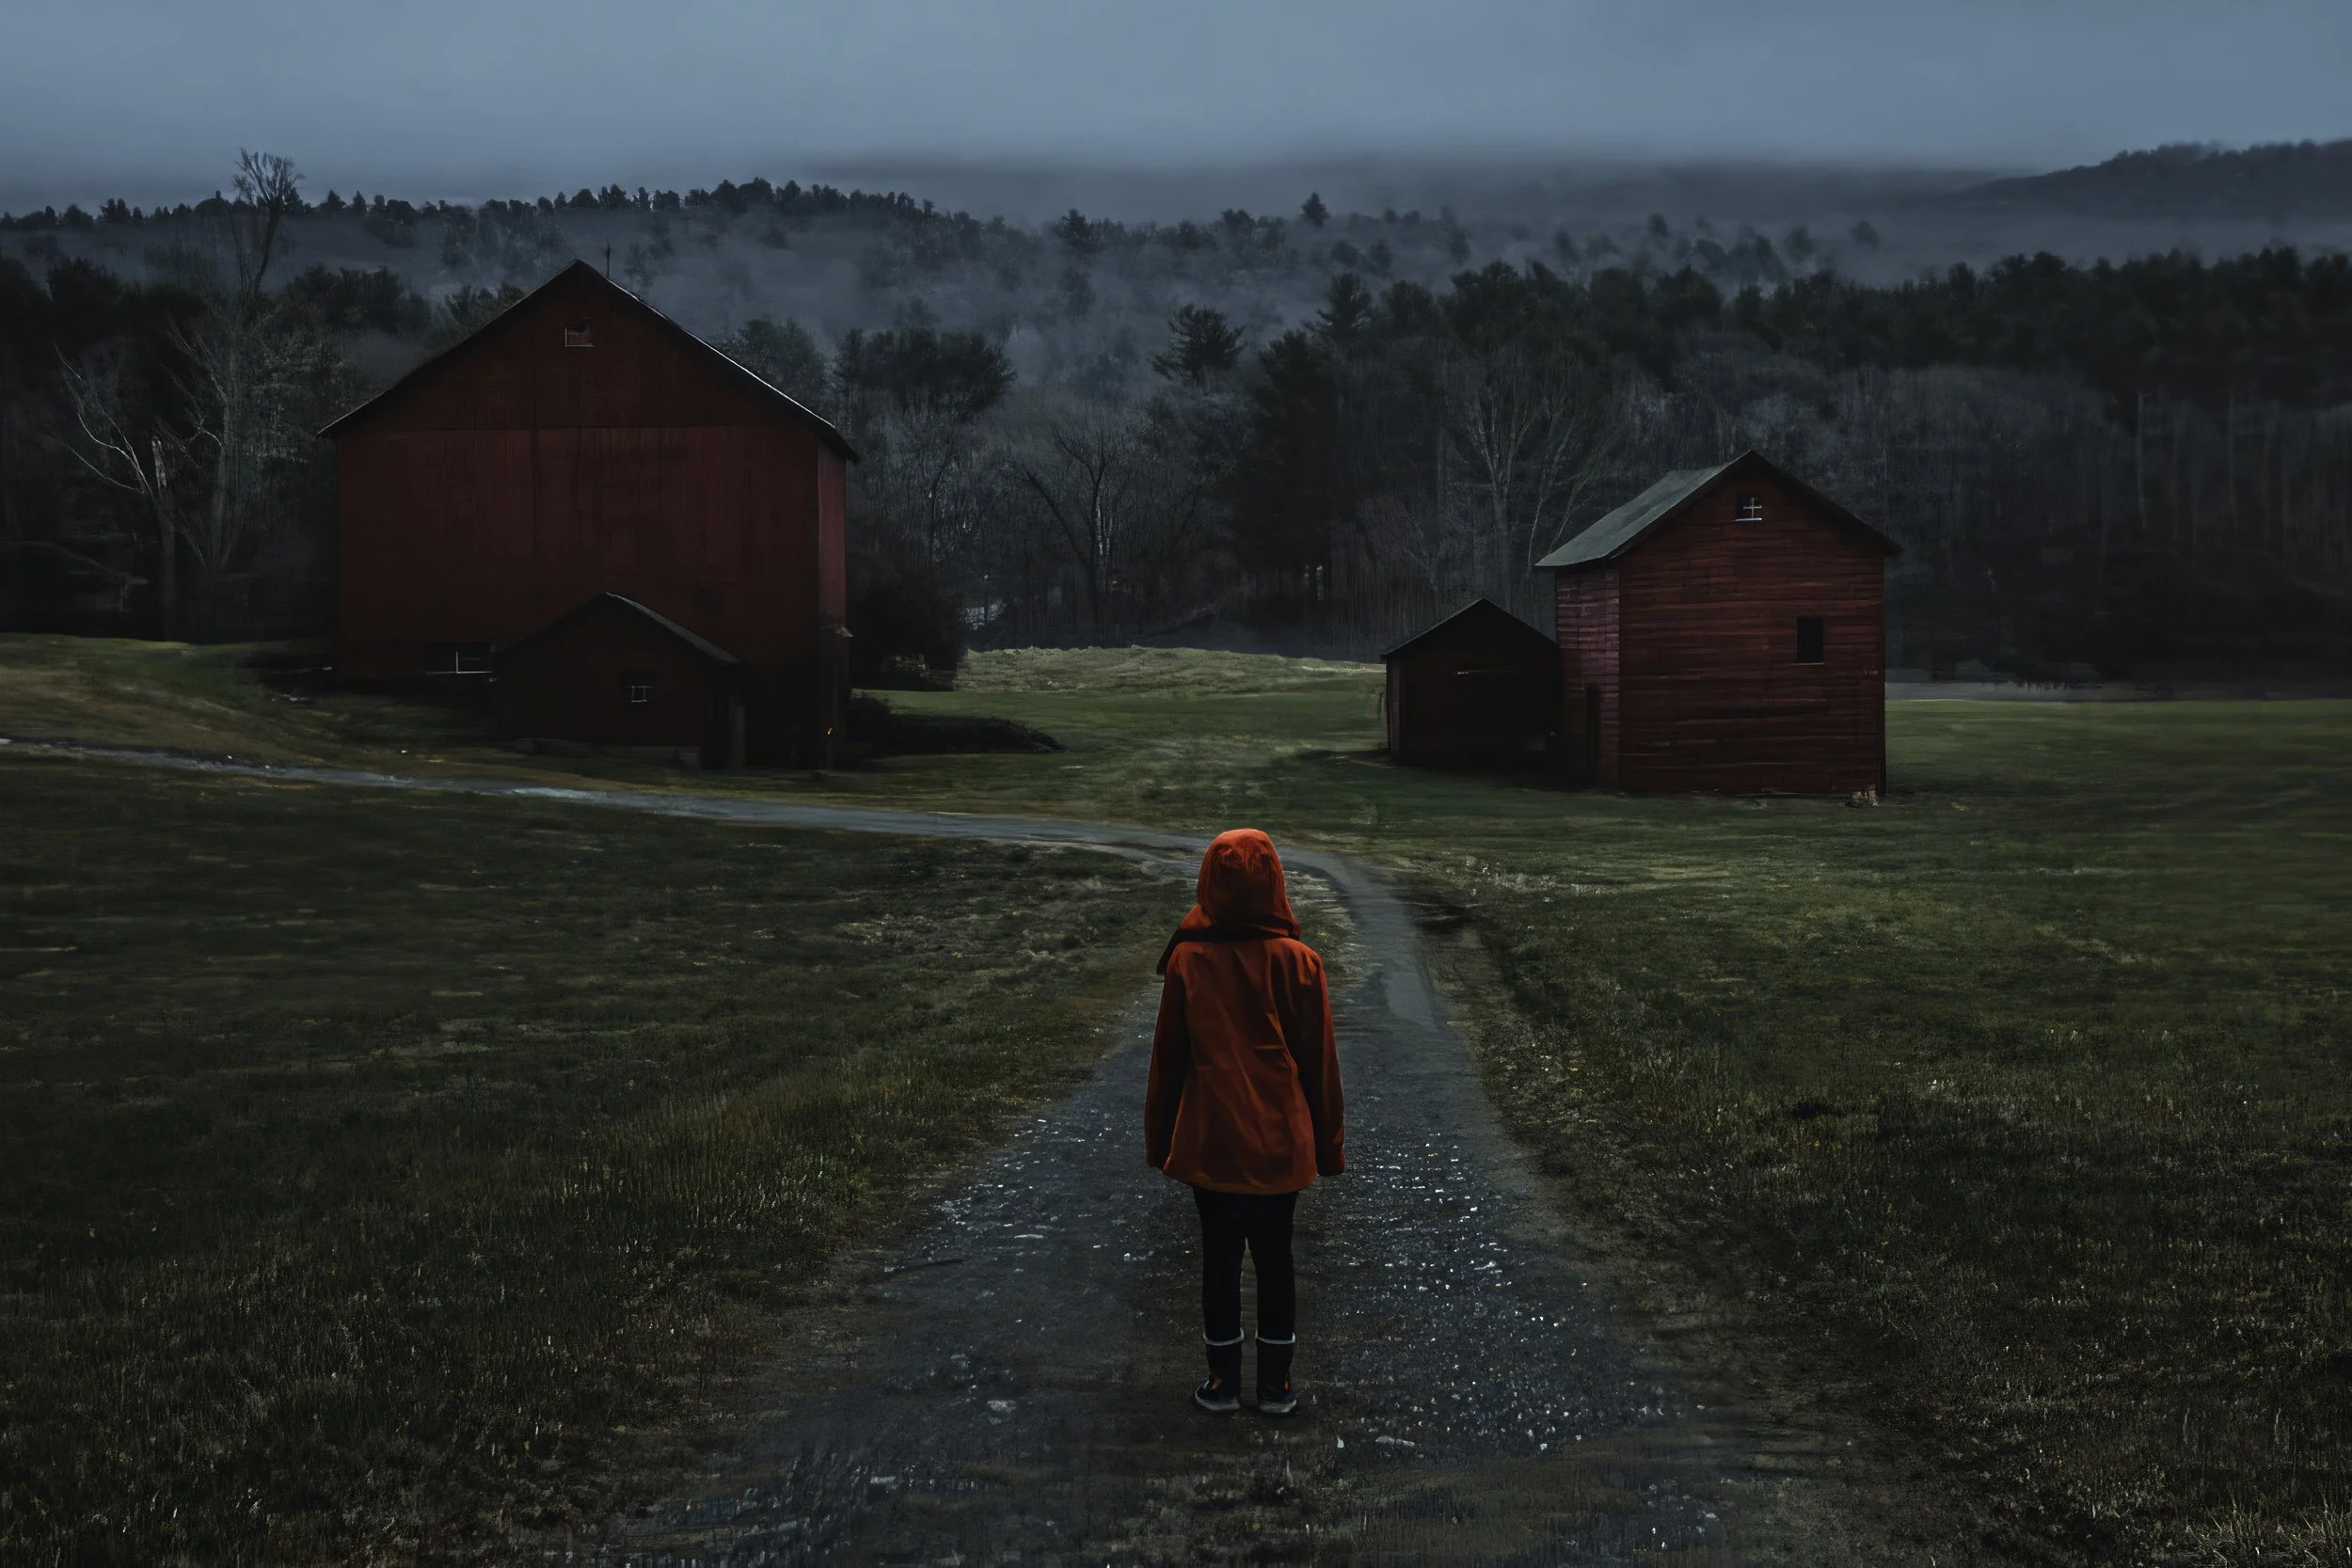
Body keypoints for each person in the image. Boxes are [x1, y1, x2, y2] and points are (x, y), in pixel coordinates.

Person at [1145, 828, 1344, 1416]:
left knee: (1219, 1259)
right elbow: (1321, 1067)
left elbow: (1167, 1063)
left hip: (1214, 1145)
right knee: (1277, 1257)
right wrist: (1329, 1149)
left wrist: (1159, 1143)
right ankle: (1277, 1385)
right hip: (1282, 1145)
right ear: (1276, 883)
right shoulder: (1301, 963)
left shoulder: (1188, 959)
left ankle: (1223, 1383)